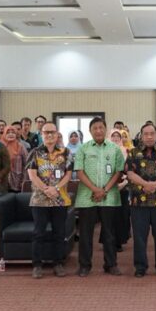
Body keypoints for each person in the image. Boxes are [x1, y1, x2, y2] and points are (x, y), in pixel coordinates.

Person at [74, 117, 125, 277]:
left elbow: (119, 172)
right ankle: (84, 266)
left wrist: (104, 190)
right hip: (86, 197)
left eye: (101, 127)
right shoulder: (83, 148)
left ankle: (111, 264)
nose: (98, 131)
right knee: (85, 234)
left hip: (109, 197)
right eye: (95, 128)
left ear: (105, 129)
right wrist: (95, 189)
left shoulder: (114, 149)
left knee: (109, 233)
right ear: (90, 131)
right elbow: (79, 171)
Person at [125, 123, 156, 277]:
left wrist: (155, 185)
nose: (149, 137)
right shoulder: (133, 153)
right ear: (141, 136)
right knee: (139, 237)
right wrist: (146, 185)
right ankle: (140, 267)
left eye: (152, 133)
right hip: (139, 203)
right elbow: (130, 174)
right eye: (146, 134)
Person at [27, 121, 73, 279]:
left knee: (59, 233)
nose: (49, 135)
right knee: (38, 233)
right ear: (42, 134)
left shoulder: (66, 152)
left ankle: (58, 264)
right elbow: (32, 175)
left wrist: (56, 189)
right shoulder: (34, 152)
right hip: (39, 200)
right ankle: (37, 265)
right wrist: (46, 189)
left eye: (52, 132)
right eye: (46, 132)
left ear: (57, 134)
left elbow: (68, 174)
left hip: (60, 199)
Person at [109, 128, 131, 252]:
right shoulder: (105, 151)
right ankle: (109, 240)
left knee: (121, 215)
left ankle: (119, 242)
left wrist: (124, 183)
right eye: (113, 136)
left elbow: (130, 170)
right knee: (109, 215)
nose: (115, 138)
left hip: (123, 187)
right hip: (108, 188)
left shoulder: (127, 151)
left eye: (118, 136)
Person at [1, 125, 29, 192]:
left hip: (17, 181)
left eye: (13, 132)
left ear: (16, 134)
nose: (11, 134)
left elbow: (27, 165)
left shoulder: (21, 147)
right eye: (8, 133)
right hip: (2, 181)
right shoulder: (0, 147)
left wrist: (24, 180)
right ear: (4, 134)